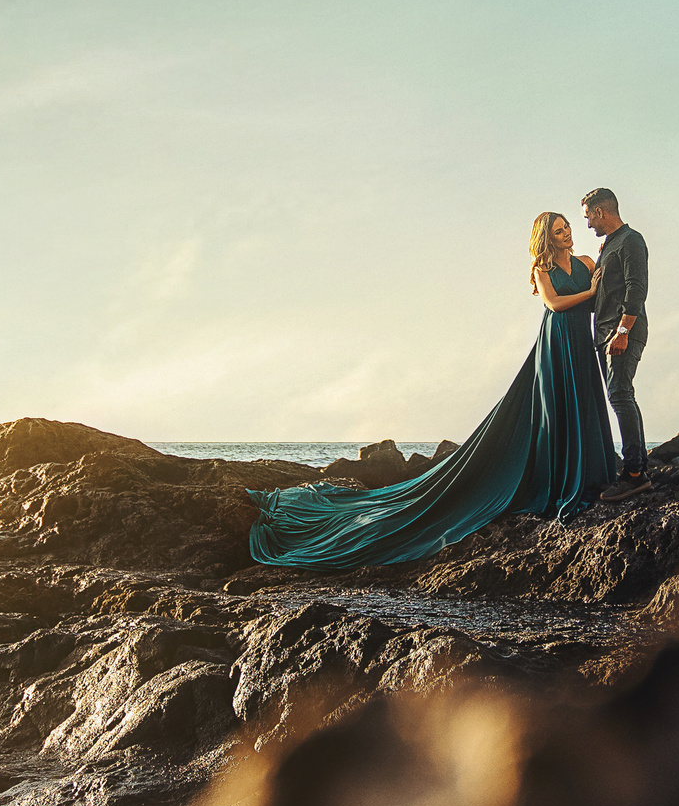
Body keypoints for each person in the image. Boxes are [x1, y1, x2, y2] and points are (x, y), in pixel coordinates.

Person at [247, 210, 617, 568]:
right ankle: (559, 481)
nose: (567, 232)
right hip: (555, 347)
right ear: (545, 239)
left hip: (580, 347)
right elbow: (554, 304)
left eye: (567, 226)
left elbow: (600, 300)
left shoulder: (586, 262)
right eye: (557, 231)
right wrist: (591, 293)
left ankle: (588, 475)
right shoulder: (542, 270)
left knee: (581, 407)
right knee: (555, 411)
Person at [583, 187, 651, 500]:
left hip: (622, 332)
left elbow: (636, 289)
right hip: (604, 334)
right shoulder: (608, 245)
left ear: (600, 211)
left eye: (588, 217)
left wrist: (623, 331)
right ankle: (635, 470)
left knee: (621, 394)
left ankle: (635, 474)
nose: (588, 225)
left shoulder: (631, 240)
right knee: (618, 396)